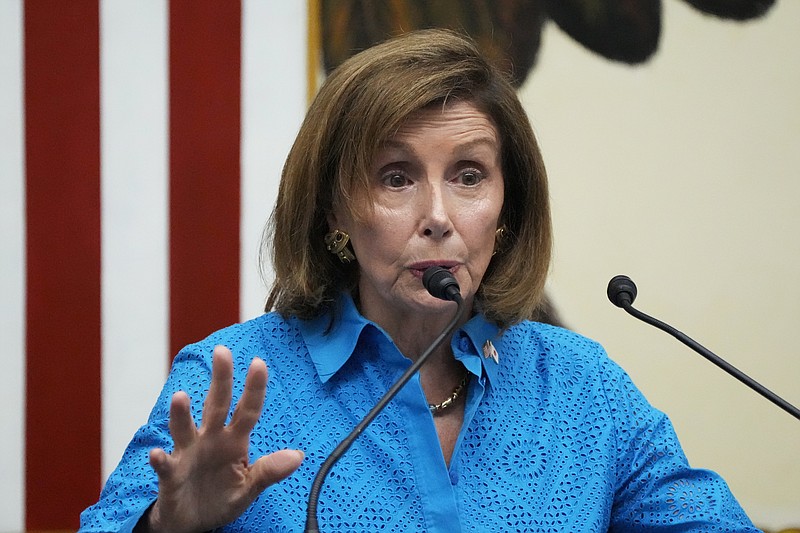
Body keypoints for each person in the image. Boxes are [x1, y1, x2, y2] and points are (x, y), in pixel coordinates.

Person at [80, 29, 758, 532]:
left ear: (506, 209)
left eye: (469, 176)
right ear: (335, 209)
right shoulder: (230, 384)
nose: (438, 217)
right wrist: (164, 530)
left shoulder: (583, 389)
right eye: (396, 176)